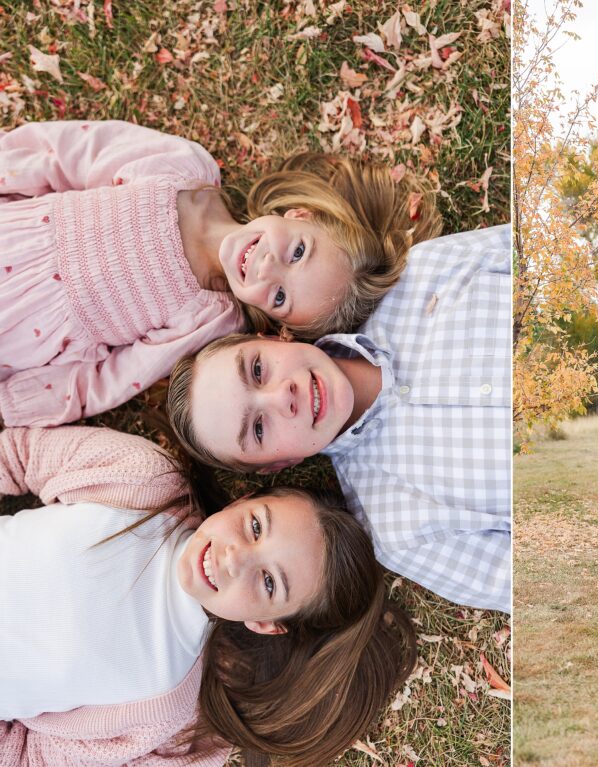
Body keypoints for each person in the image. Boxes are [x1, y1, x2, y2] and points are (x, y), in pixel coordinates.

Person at [0, 425, 416, 766]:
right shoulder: (143, 477)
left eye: (270, 582)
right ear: (244, 499)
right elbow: (17, 456)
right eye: (255, 527)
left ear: (267, 625)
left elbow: (28, 758)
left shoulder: (162, 708)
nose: (234, 559)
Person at [0, 119, 439, 428]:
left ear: (273, 319)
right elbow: (74, 153)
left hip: (22, 333)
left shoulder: (210, 317)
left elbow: (117, 374)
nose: (268, 269)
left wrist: (26, 400)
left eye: (280, 296)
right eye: (298, 251)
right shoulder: (182, 170)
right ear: (299, 214)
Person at [164, 225, 512, 614]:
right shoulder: (397, 528)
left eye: (258, 370)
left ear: (275, 338)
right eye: (259, 429)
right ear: (279, 465)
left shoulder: (423, 274)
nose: (282, 396)